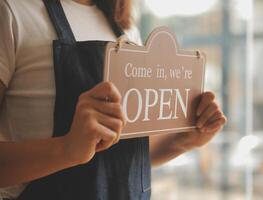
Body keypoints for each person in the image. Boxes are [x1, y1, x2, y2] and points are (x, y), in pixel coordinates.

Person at [0, 0, 227, 199]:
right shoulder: (11, 12)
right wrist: (65, 148)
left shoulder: (127, 31)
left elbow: (123, 158)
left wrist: (185, 140)